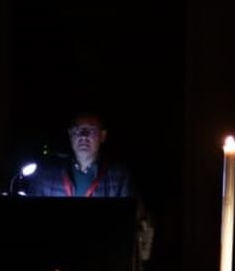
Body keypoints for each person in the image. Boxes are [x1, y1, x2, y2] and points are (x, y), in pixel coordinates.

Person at [26, 110, 153, 262]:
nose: (83, 136)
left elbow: (139, 223)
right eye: (78, 130)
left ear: (103, 136)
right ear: (70, 135)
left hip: (102, 261)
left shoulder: (119, 177)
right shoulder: (46, 176)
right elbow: (31, 222)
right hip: (57, 262)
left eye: (91, 130)